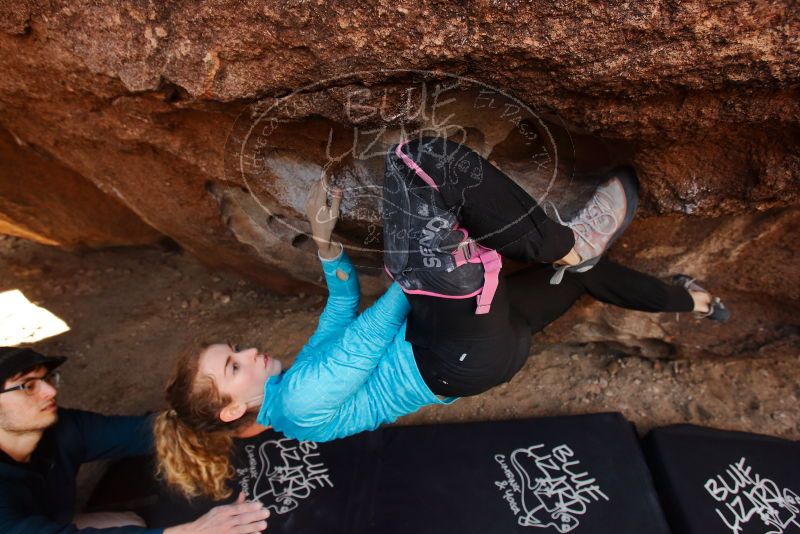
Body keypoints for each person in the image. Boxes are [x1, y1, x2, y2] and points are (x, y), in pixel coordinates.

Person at [154, 136, 728, 499]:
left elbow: (341, 311)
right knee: (415, 162)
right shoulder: (299, 404)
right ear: (233, 407)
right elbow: (367, 337)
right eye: (233, 365)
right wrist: (422, 274)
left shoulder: (294, 391)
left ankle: (694, 302)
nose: (248, 353)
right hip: (452, 349)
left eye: (233, 350)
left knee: (582, 278)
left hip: (480, 351)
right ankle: (568, 243)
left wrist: (327, 241)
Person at [0, 346, 271, 533]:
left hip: (38, 523)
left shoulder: (62, 428)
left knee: (129, 522)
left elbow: (148, 432)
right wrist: (192, 532)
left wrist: (219, 413)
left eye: (46, 379)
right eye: (28, 386)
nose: (50, 391)